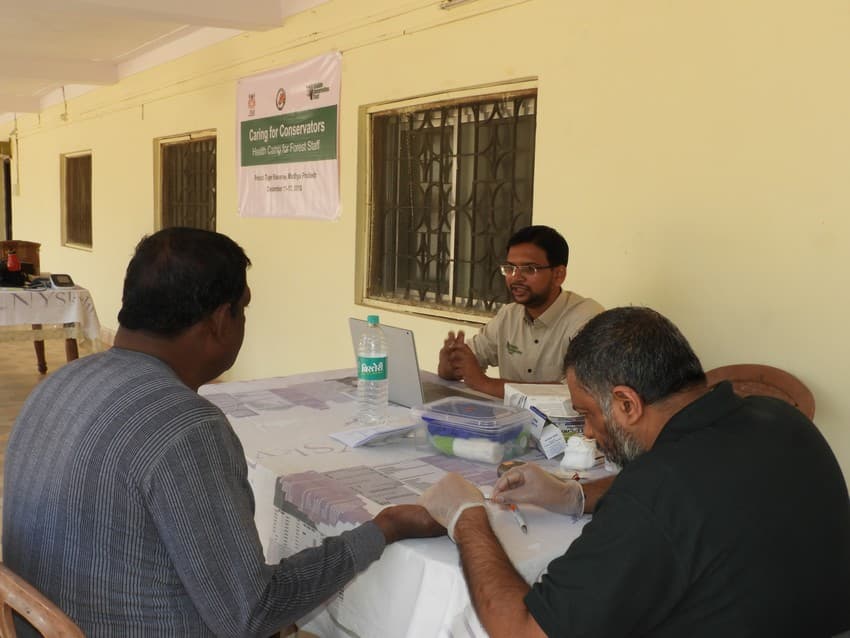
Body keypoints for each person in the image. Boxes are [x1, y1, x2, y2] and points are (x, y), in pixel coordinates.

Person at [2, 227, 442, 638]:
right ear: (218, 321)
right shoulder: (186, 427)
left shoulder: (60, 382)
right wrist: (382, 529)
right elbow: (250, 614)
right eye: (243, 309)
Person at [421, 307, 850, 637]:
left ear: (626, 403)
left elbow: (525, 631)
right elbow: (703, 484)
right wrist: (578, 496)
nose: (587, 431)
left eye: (587, 413)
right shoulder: (775, 416)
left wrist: (468, 518)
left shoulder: (654, 492)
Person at [437, 225, 602, 398]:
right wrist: (449, 364)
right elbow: (468, 361)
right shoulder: (509, 315)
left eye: (529, 269)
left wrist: (484, 383)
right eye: (510, 268)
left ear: (558, 275)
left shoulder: (587, 319)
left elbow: (577, 392)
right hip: (510, 421)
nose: (516, 277)